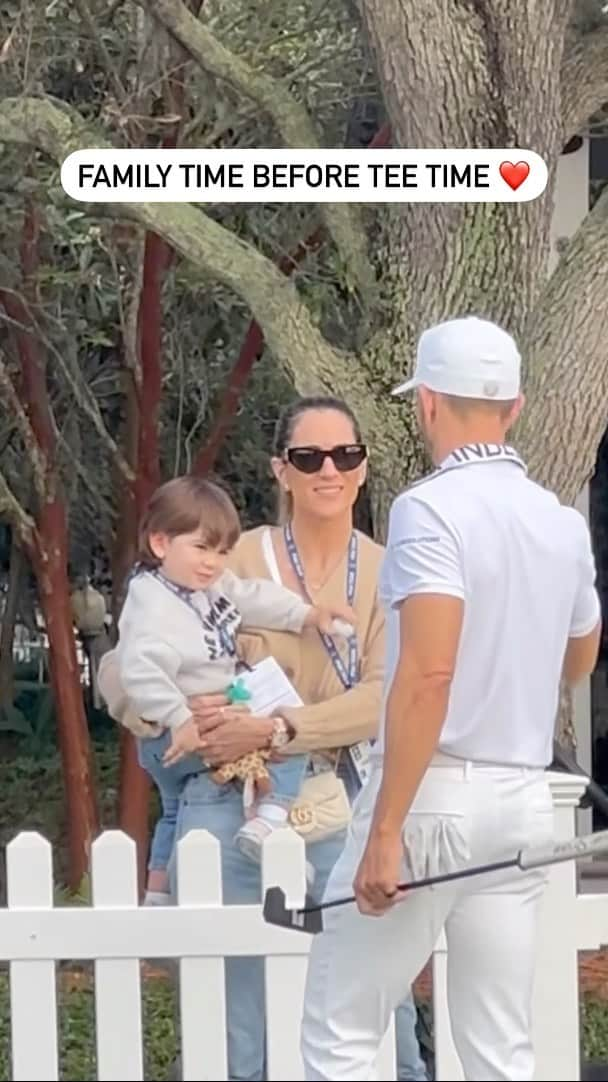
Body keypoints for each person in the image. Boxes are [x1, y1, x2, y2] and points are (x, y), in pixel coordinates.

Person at [299, 317, 603, 1082]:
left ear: (428, 402)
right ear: (516, 407)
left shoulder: (428, 510)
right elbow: (578, 657)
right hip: (522, 796)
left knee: (341, 1031)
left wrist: (384, 830)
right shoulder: (562, 523)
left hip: (432, 792)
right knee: (500, 1047)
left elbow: (427, 677)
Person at [99, 395, 428, 1082]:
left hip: (337, 791)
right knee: (234, 1008)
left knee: (373, 1006)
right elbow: (119, 673)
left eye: (347, 455)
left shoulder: (388, 568)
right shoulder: (230, 552)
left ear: (364, 468)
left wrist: (282, 725)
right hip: (225, 793)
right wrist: (182, 712)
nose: (329, 471)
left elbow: (386, 694)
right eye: (309, 457)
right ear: (281, 470)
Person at [113, 474, 354, 896]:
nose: (213, 563)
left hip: (174, 732)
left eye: (222, 552)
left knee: (173, 808)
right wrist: (179, 717)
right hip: (179, 730)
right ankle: (270, 821)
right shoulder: (154, 602)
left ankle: (157, 891)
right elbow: (139, 669)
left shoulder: (202, 587)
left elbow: (252, 596)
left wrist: (307, 615)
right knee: (284, 737)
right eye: (201, 548)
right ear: (160, 543)